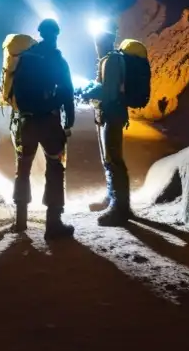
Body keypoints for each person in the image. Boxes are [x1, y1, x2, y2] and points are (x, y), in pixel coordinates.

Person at [10, 18, 76, 239]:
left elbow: (16, 91)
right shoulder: (57, 60)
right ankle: (53, 224)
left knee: (23, 168)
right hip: (49, 122)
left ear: (39, 33)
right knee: (55, 167)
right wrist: (69, 121)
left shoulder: (25, 58)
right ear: (56, 34)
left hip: (26, 122)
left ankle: (20, 221)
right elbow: (67, 91)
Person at [81, 20, 130, 226]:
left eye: (98, 39)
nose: (96, 43)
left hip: (112, 114)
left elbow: (109, 93)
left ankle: (120, 209)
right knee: (108, 159)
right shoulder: (107, 59)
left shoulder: (111, 61)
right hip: (107, 115)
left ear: (106, 39)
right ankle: (112, 199)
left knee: (114, 160)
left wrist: (90, 92)